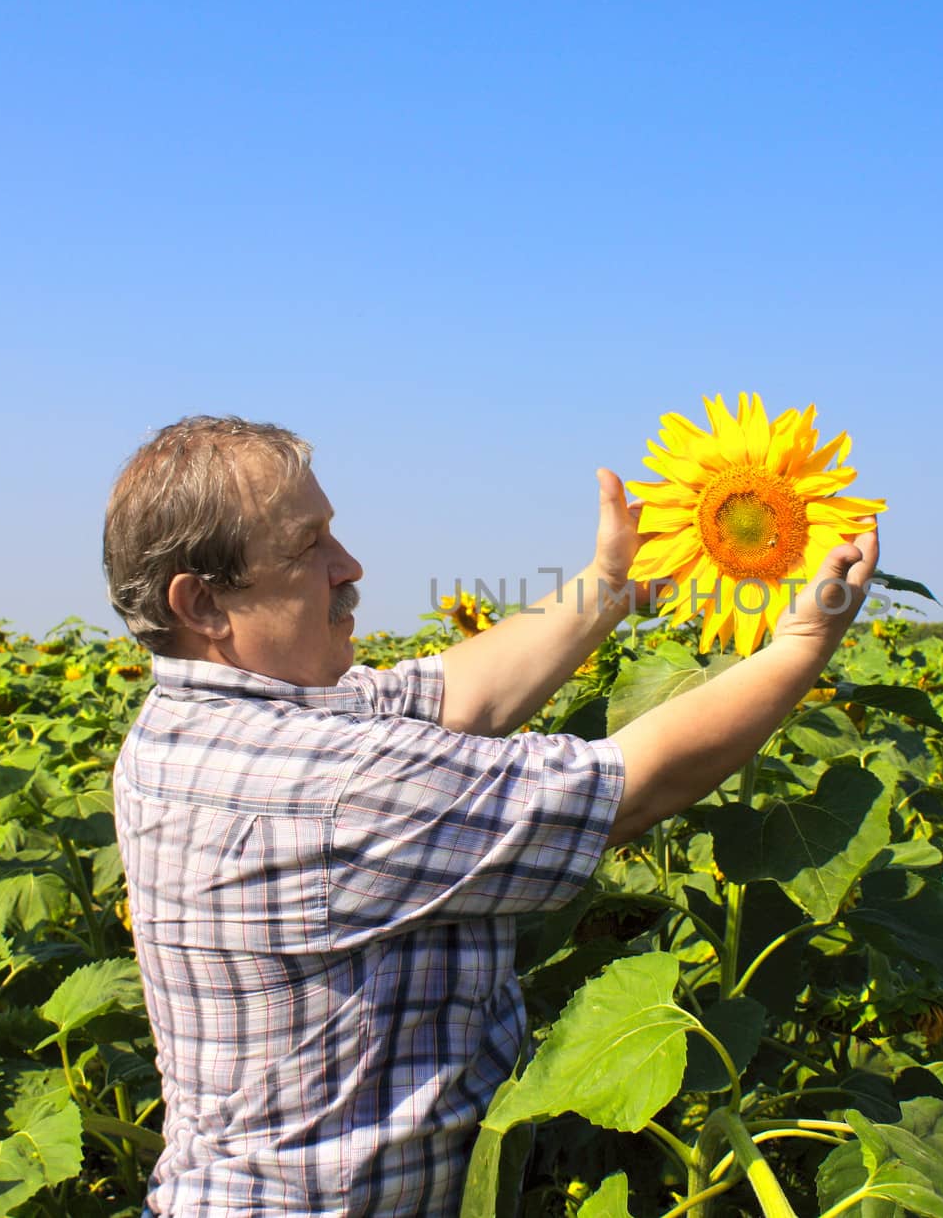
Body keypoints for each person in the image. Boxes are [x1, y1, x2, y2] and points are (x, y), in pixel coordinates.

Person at [104, 415, 878, 1218]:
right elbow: (624, 788)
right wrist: (801, 644)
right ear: (202, 603)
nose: (349, 566)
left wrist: (610, 581)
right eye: (308, 547)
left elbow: (456, 694)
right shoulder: (322, 784)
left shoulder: (176, 729)